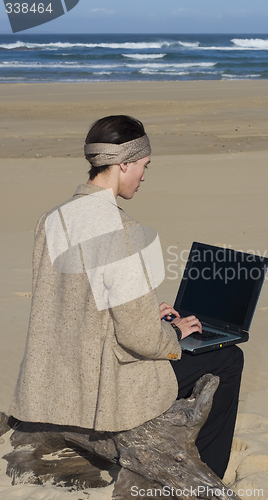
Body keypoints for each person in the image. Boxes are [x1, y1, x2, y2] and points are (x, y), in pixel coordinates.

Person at [9, 115, 243, 480]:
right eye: (144, 166)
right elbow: (139, 338)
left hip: (54, 376)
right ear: (124, 164)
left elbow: (73, 300)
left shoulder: (52, 218)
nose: (144, 176)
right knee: (228, 359)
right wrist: (172, 333)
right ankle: (209, 474)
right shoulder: (123, 230)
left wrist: (150, 311)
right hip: (101, 386)